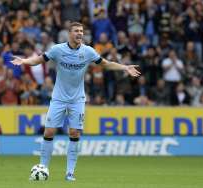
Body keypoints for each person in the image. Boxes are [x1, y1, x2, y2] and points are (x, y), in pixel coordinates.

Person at [11, 22, 140, 181]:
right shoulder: (57, 50)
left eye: (81, 31)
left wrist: (124, 67)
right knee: (49, 131)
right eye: (76, 31)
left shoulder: (88, 52)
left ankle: (70, 173)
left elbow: (106, 64)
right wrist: (23, 61)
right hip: (58, 98)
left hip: (77, 99)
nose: (80, 34)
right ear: (69, 33)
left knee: (74, 132)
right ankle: (43, 168)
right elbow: (38, 60)